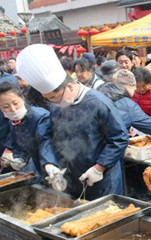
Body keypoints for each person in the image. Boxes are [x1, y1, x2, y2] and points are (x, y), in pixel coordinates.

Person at [16, 44, 129, 200]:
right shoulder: (57, 107)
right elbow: (49, 136)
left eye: (54, 97)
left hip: (101, 177)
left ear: (69, 86)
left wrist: (99, 168)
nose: (53, 103)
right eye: (48, 99)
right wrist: (50, 163)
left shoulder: (98, 103)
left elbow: (119, 138)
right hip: (71, 176)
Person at [0, 82, 66, 191]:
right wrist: (19, 158)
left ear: (23, 97)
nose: (13, 109)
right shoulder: (14, 121)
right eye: (6, 107)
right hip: (39, 167)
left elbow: (45, 141)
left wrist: (49, 163)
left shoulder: (40, 116)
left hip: (56, 165)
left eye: (15, 103)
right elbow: (18, 145)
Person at [98, 70, 151, 137]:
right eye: (137, 87)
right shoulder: (127, 104)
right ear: (132, 85)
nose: (139, 89)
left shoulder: (99, 91)